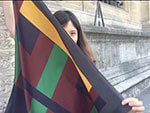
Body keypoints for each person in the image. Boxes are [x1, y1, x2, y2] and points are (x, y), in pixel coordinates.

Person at [2, 1, 145, 113]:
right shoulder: (37, 57)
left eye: (72, 33)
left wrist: (125, 109)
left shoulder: (85, 67)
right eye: (63, 33)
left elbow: (97, 103)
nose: (68, 39)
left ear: (78, 35)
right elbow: (13, 25)